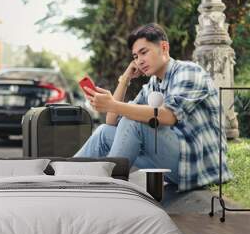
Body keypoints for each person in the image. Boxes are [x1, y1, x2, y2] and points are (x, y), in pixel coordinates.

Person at [74, 23, 232, 191]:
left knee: (133, 121)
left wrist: (112, 104)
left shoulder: (188, 71)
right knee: (104, 132)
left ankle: (110, 189)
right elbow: (111, 121)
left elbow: (168, 116)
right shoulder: (152, 86)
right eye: (135, 56)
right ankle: (63, 178)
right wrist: (125, 79)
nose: (139, 61)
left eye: (144, 52)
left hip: (198, 166)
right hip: (174, 163)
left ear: (163, 47)